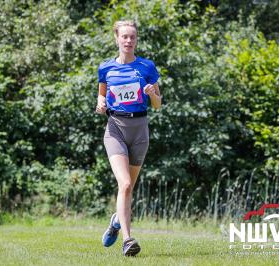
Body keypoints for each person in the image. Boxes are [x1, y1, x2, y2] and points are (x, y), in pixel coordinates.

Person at [96, 20, 161, 256]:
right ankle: (127, 240)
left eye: (132, 37)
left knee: (128, 188)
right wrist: (100, 104)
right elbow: (101, 96)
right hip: (115, 128)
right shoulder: (106, 68)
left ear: (136, 40)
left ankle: (116, 220)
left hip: (140, 129)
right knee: (124, 184)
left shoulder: (147, 67)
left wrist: (152, 94)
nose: (128, 41)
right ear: (116, 38)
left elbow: (157, 104)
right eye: (124, 36)